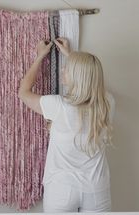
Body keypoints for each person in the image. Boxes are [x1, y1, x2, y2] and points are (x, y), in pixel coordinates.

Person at [18, 37, 115, 212]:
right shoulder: (108, 103)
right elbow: (89, 79)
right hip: (96, 188)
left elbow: (24, 92)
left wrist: (40, 56)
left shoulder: (58, 106)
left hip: (62, 189)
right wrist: (71, 56)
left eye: (68, 68)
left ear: (77, 75)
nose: (63, 69)